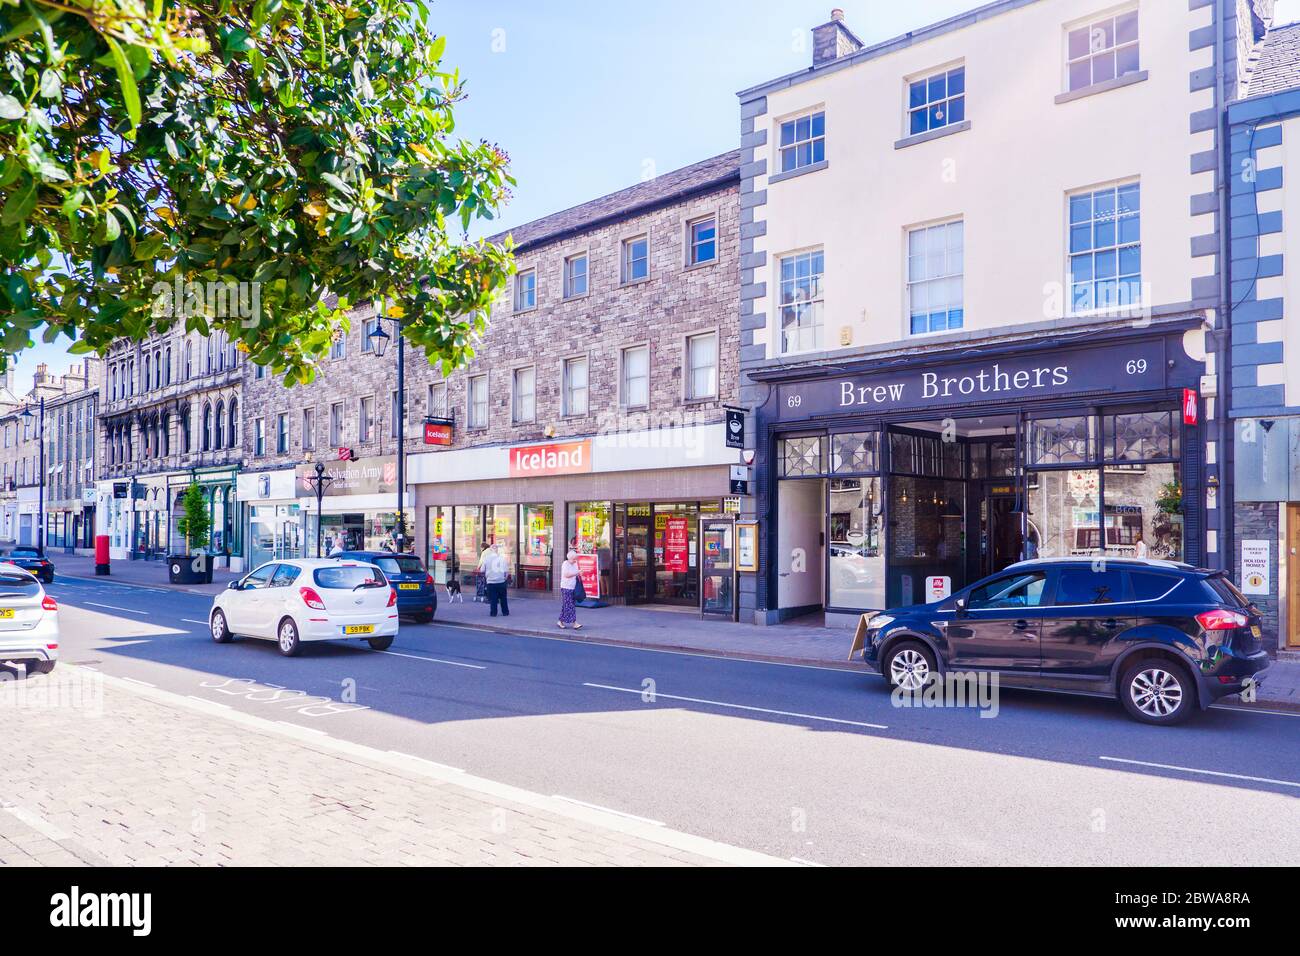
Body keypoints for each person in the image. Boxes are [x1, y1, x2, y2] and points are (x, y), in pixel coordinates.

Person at [478, 542, 510, 617]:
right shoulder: (502, 559)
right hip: (501, 581)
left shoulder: (486, 559)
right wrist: (504, 578)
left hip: (491, 582)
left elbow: (482, 570)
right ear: (497, 550)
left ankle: (493, 613)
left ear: (491, 550)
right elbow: (506, 571)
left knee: (493, 599)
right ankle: (505, 612)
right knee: (503, 598)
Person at [558, 549, 582, 630]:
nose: (575, 561)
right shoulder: (565, 564)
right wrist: (577, 572)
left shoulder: (575, 564)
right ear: (569, 558)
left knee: (567, 605)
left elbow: (576, 574)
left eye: (576, 559)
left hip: (573, 587)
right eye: (574, 559)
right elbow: (566, 575)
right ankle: (574, 623)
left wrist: (579, 574)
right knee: (570, 605)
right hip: (566, 587)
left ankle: (560, 621)